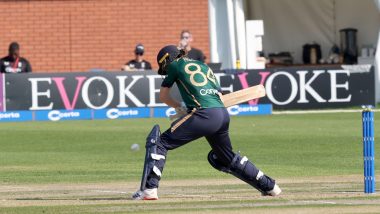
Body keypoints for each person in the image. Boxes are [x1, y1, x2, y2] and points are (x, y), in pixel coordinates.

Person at [132, 45, 281, 200]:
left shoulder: (175, 65)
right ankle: (270, 186)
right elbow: (219, 94)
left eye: (165, 66)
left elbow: (163, 97)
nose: (166, 69)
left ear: (168, 59)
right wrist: (189, 106)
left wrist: (179, 106)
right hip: (222, 114)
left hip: (204, 114)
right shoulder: (203, 65)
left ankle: (149, 189)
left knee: (159, 143)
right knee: (226, 158)